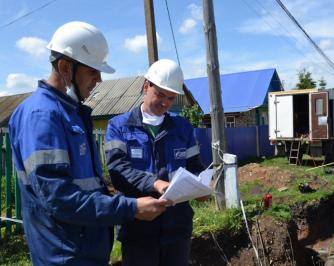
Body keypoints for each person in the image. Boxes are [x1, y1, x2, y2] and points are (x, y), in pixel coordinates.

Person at [8, 21, 169, 266]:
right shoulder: (41, 115)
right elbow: (58, 197)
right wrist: (130, 208)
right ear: (64, 67)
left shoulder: (69, 113)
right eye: (92, 71)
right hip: (65, 254)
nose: (99, 79)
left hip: (82, 248)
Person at [105, 59, 205, 266]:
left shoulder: (182, 127)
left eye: (170, 98)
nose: (165, 103)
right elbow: (118, 171)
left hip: (177, 228)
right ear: (146, 86)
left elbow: (195, 166)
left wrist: (200, 187)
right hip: (138, 229)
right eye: (160, 95)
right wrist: (155, 183)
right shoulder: (119, 126)